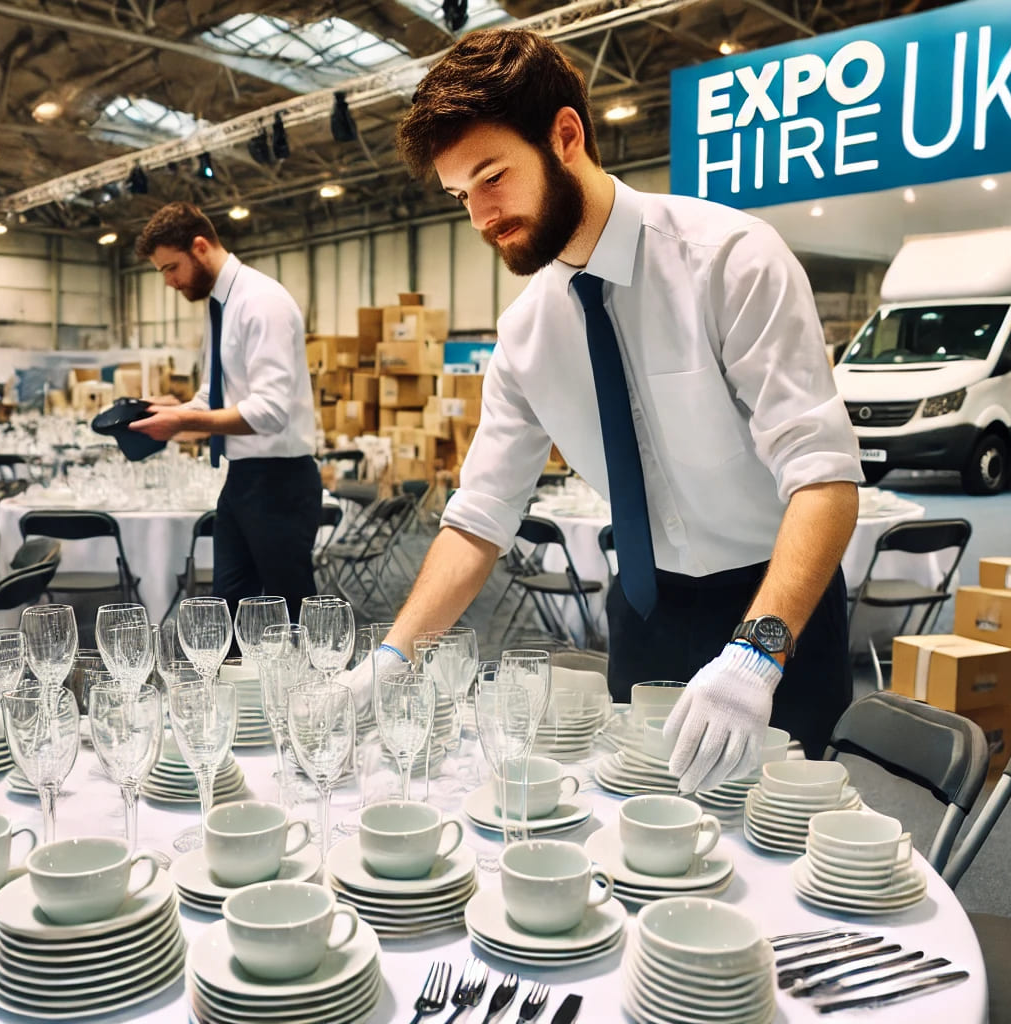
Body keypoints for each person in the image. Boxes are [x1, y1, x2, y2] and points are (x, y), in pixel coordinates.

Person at [359, 28, 863, 794]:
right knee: (642, 844)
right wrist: (394, 657)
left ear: (566, 135)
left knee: (781, 854)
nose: (480, 218)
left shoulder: (730, 258)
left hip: (775, 612)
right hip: (643, 610)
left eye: (492, 177)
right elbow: (479, 518)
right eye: (461, 195)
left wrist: (757, 652)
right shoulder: (527, 333)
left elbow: (824, 478)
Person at [129, 202, 322, 617]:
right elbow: (215, 398)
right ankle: (234, 681)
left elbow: (269, 412)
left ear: (199, 247)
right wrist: (169, 409)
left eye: (169, 268)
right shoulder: (222, 306)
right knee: (229, 607)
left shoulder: (260, 301)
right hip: (243, 477)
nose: (168, 283)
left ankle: (312, 682)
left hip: (281, 481)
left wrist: (183, 420)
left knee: (292, 613)